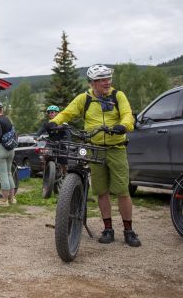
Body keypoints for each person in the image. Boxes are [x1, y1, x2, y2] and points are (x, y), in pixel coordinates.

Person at [46, 64, 141, 247]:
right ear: (92, 83)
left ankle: (129, 230)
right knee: (101, 191)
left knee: (122, 191)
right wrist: (55, 122)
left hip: (116, 148)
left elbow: (128, 115)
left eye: (108, 78)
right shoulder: (85, 99)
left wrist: (123, 125)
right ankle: (108, 229)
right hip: (94, 148)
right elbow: (67, 112)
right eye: (102, 80)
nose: (107, 82)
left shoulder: (117, 96)